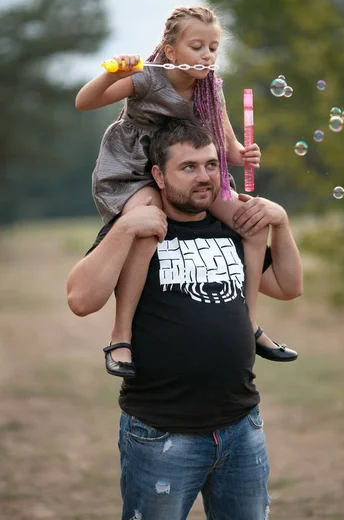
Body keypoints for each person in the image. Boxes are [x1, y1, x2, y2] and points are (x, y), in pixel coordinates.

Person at [67, 119, 303, 520]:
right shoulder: (141, 230)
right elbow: (80, 299)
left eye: (211, 164)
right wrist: (123, 228)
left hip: (242, 426)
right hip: (162, 433)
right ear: (158, 175)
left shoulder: (229, 230)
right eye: (188, 167)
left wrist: (280, 223)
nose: (205, 176)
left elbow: (287, 285)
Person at [75, 5, 297, 377]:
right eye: (197, 46)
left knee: (253, 221)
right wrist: (113, 73)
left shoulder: (212, 87)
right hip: (134, 170)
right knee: (148, 224)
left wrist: (246, 154)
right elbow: (85, 102)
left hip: (189, 172)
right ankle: (121, 336)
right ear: (171, 49)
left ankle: (248, 325)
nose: (207, 55)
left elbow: (228, 149)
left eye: (213, 48)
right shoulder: (146, 79)